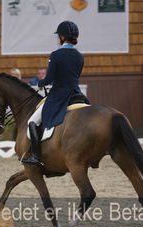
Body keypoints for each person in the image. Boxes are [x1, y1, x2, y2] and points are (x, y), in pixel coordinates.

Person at [21, 21, 88, 166]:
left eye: (58, 36)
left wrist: (38, 83)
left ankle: (36, 156)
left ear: (62, 37)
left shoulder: (56, 55)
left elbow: (49, 79)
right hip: (76, 94)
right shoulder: (79, 56)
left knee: (32, 121)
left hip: (59, 95)